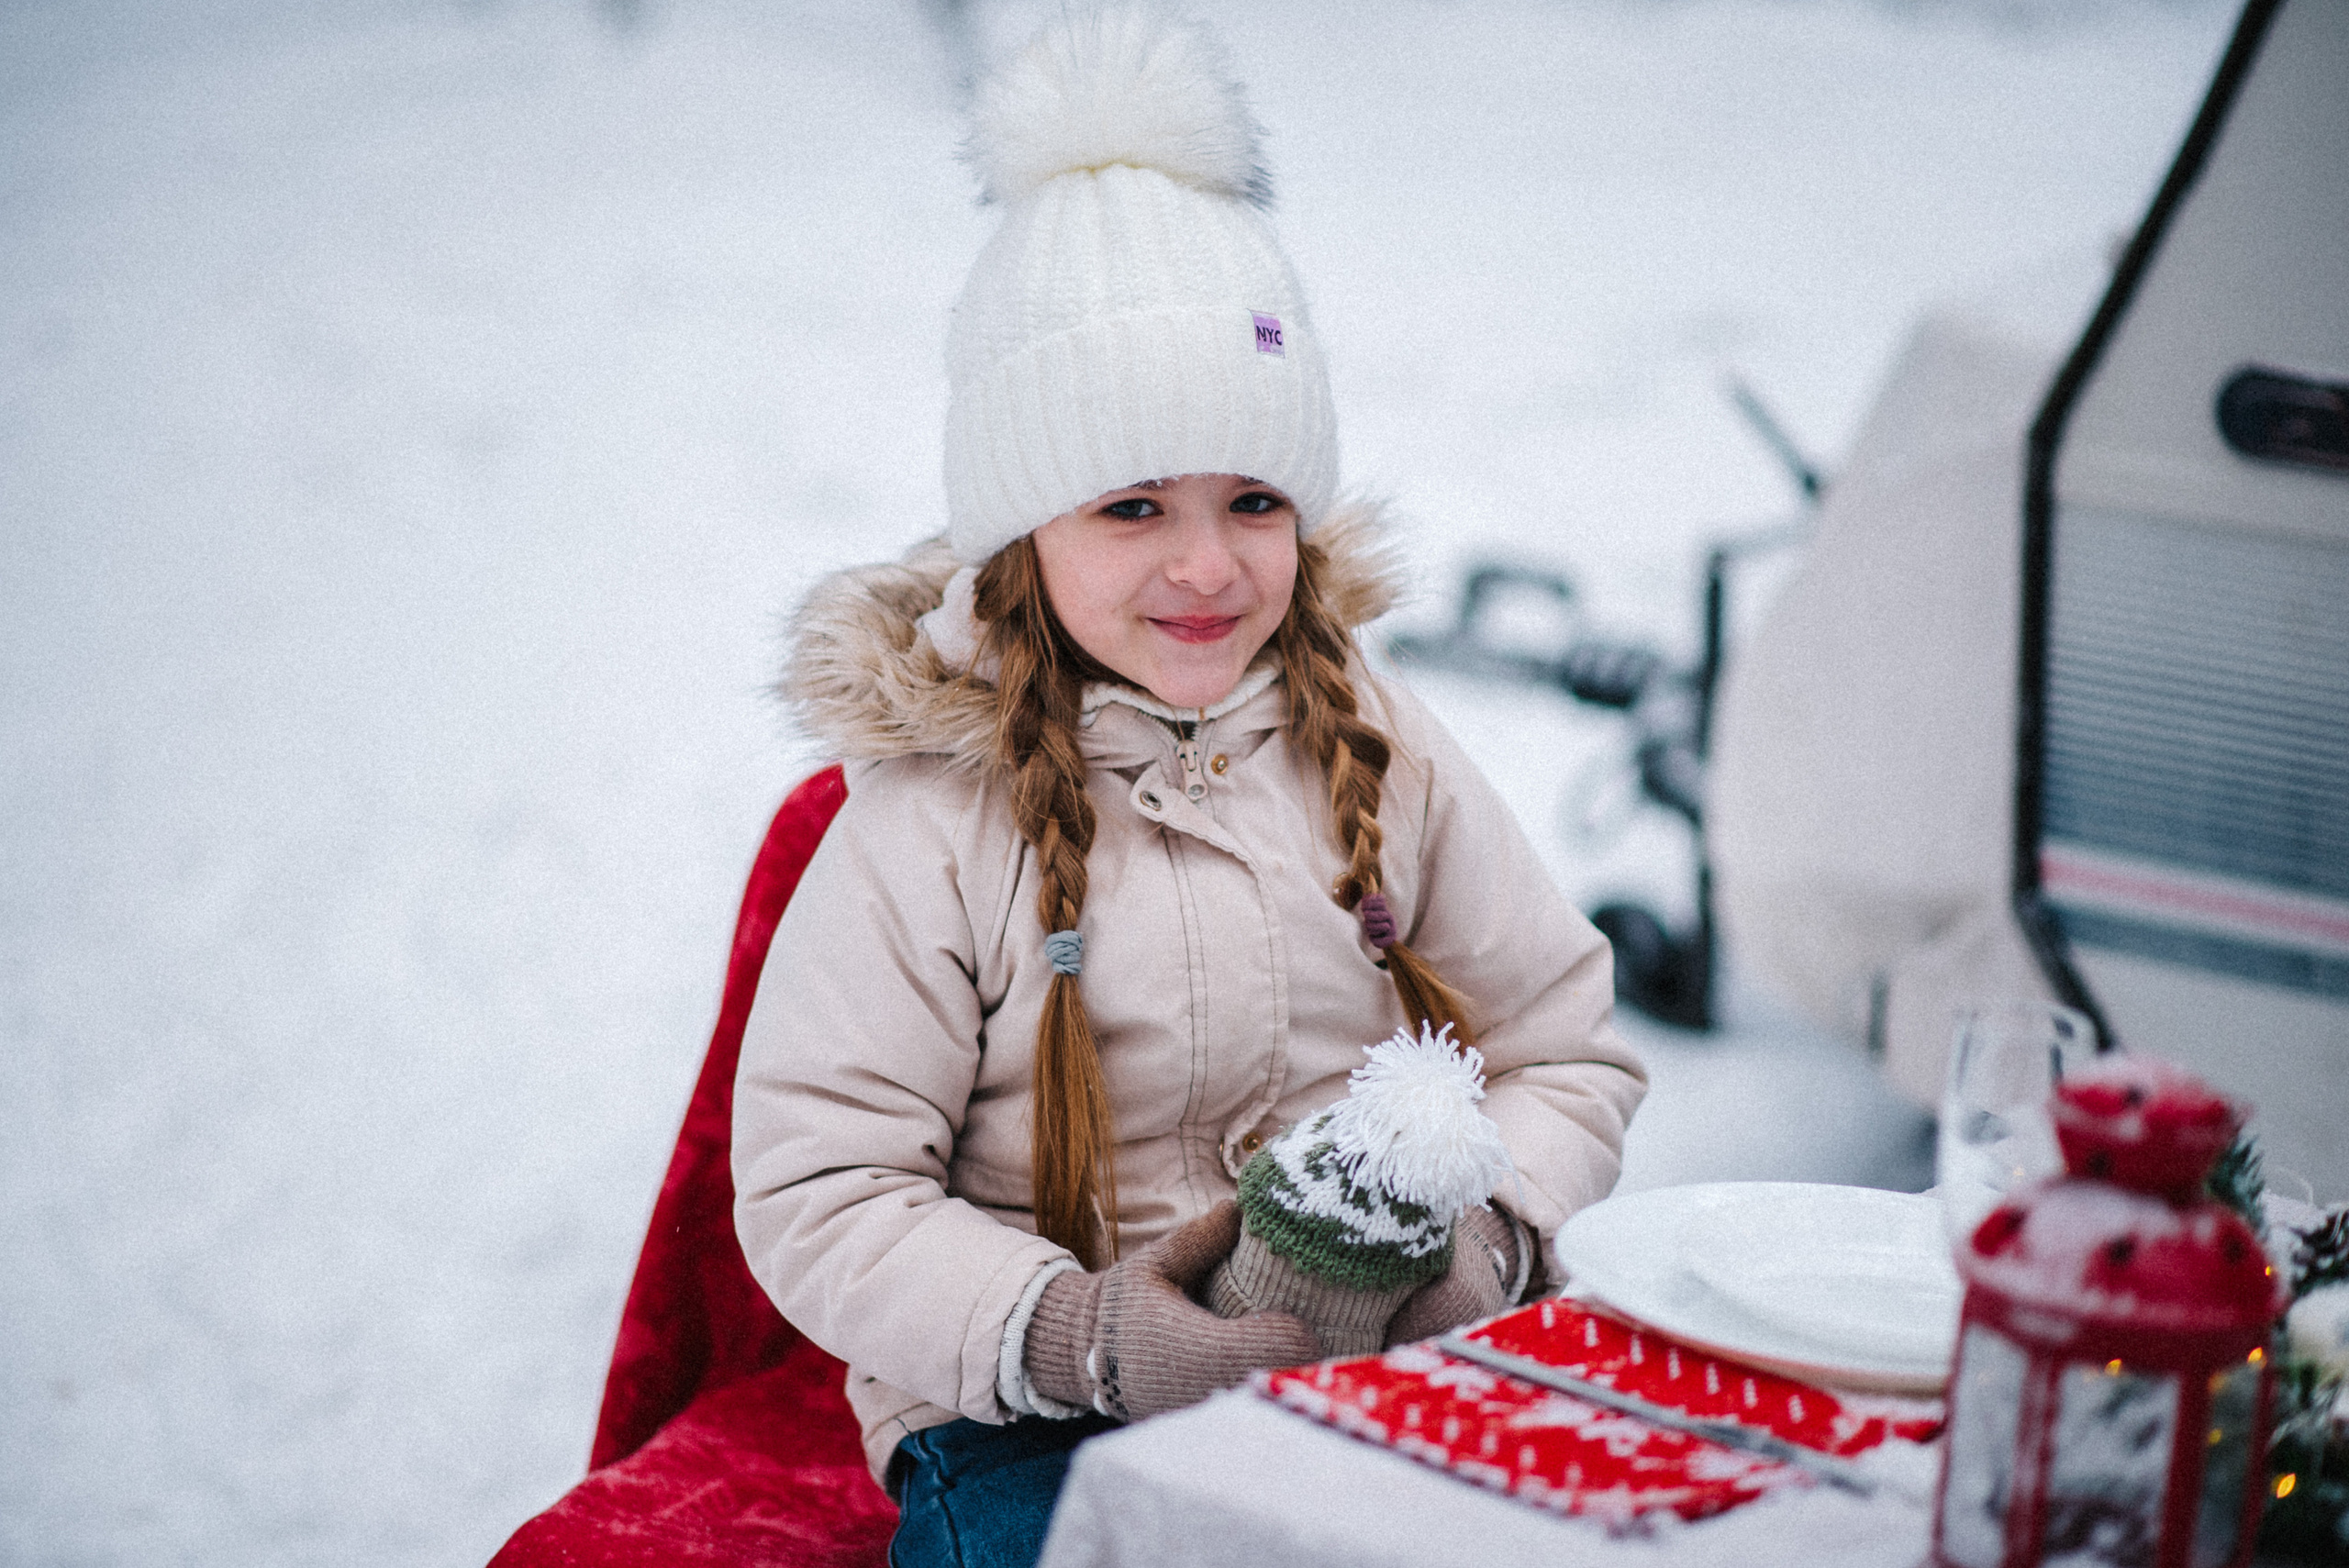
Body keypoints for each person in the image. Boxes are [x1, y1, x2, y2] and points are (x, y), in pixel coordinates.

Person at [731, 10, 1647, 1565]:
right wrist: (1087, 1335)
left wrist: (1492, 1239)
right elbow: (822, 1188)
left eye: (1255, 498)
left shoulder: (1379, 740)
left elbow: (1564, 1048)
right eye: (1135, 503)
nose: (1210, 564)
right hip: (1025, 1414)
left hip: (1383, 1362)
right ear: (1024, 529)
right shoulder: (931, 821)